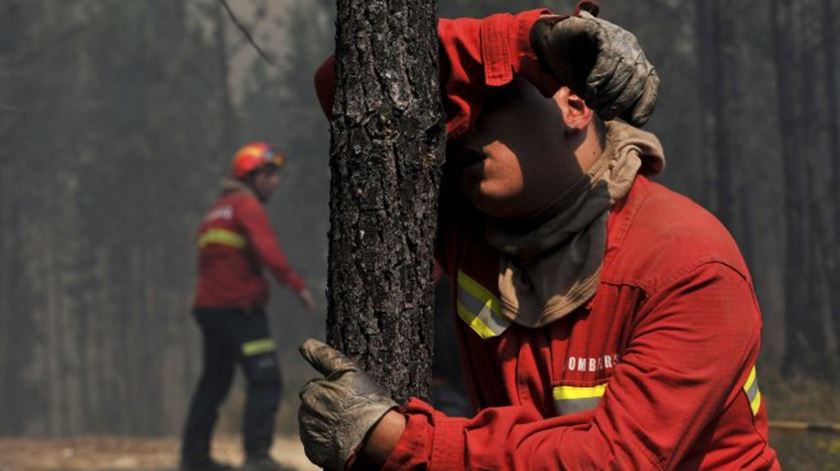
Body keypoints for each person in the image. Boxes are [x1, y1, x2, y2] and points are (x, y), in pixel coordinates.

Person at [297, 2, 781, 470]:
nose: (463, 128)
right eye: (453, 110)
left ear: (574, 105)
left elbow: (614, 461)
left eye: (493, 102)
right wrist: (525, 43)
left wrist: (401, 442)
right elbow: (352, 78)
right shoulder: (473, 228)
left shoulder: (687, 263)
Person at [181, 142, 316, 471]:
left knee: (214, 382)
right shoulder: (246, 206)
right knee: (265, 378)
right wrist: (298, 287)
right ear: (250, 175)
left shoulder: (215, 211)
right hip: (239, 311)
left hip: (210, 311)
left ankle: (194, 458)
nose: (275, 181)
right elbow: (269, 253)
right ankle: (257, 456)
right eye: (268, 174)